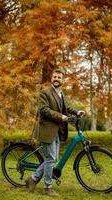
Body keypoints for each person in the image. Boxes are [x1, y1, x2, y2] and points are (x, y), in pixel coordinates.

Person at [25, 68, 84, 196]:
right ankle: (47, 187)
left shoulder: (60, 93)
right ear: (52, 79)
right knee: (51, 158)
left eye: (59, 77)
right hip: (46, 130)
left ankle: (33, 179)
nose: (56, 79)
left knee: (52, 158)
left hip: (56, 131)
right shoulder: (45, 93)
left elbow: (65, 108)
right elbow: (44, 109)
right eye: (55, 77)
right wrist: (60, 116)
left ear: (62, 80)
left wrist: (76, 112)